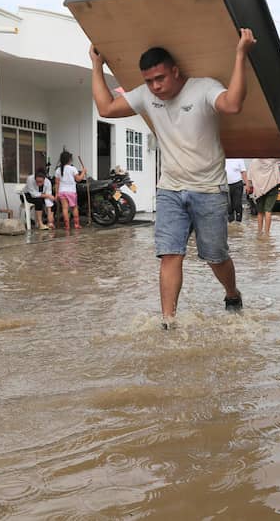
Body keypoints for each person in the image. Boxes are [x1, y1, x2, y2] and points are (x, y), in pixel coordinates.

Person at [89, 28, 257, 329]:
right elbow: (106, 108)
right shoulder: (146, 95)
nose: (155, 86)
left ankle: (232, 293)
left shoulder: (203, 88)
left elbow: (232, 105)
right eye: (149, 81)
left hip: (209, 189)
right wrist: (96, 65)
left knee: (215, 256)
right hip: (169, 189)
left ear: (175, 71)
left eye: (160, 78)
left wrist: (240, 54)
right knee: (170, 255)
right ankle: (168, 322)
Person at [53, 151, 86, 230]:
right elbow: (78, 179)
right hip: (71, 192)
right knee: (74, 208)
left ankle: (67, 226)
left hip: (62, 192)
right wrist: (83, 172)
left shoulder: (58, 170)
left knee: (65, 209)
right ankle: (76, 224)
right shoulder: (73, 169)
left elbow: (57, 183)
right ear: (70, 160)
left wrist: (56, 194)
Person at [246, 158, 280, 235]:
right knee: (268, 211)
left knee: (260, 212)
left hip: (259, 190)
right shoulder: (272, 160)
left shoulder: (254, 162)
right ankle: (267, 233)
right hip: (272, 187)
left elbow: (249, 177)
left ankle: (259, 232)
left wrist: (248, 186)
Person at [225, 158, 248, 222]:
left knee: (237, 204)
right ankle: (231, 221)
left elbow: (243, 172)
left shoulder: (239, 158)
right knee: (229, 205)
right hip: (226, 185)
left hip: (237, 184)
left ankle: (238, 221)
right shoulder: (223, 158)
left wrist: (247, 184)